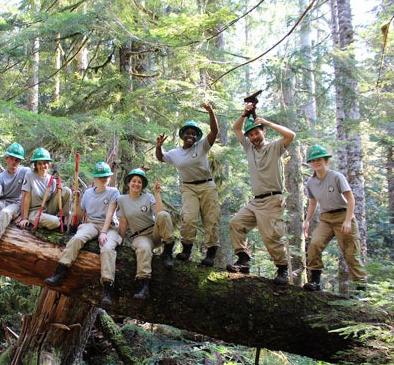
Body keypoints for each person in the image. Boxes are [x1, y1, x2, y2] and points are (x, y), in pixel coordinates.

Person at [226, 104, 296, 285]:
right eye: (251, 134)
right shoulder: (249, 148)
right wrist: (245, 113)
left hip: (272, 199)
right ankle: (243, 260)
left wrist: (268, 123)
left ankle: (282, 269)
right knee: (236, 223)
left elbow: (291, 136)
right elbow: (236, 128)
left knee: (270, 237)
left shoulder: (275, 147)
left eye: (257, 133)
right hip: (256, 201)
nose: (254, 137)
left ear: (263, 132)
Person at [43, 161, 121, 306]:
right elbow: (79, 215)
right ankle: (60, 272)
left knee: (107, 248)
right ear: (95, 178)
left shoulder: (113, 192)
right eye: (101, 177)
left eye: (106, 176)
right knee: (77, 238)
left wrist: (104, 233)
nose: (104, 179)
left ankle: (107, 289)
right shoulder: (88, 193)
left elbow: (110, 214)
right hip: (91, 223)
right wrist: (77, 201)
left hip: (109, 226)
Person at [156, 103, 220, 266]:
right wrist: (158, 146)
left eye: (193, 133)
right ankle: (186, 250)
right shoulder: (175, 153)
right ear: (183, 135)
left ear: (197, 136)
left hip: (207, 186)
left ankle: (210, 254)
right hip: (188, 187)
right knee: (189, 218)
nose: (190, 135)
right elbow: (160, 157)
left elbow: (214, 132)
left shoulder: (202, 146)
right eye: (187, 133)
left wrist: (211, 112)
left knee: (211, 219)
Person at [302, 144, 368, 292]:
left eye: (319, 159)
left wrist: (347, 220)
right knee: (314, 245)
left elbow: (351, 199)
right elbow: (313, 203)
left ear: (326, 160)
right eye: (313, 160)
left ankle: (360, 289)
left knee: (351, 253)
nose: (316, 163)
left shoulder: (336, 177)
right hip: (326, 218)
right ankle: (315, 281)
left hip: (343, 215)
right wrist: (306, 221)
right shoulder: (310, 182)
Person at [117, 169, 175, 300]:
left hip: (155, 232)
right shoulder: (121, 200)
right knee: (143, 248)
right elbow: (123, 222)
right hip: (140, 236)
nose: (136, 184)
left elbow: (159, 214)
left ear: (142, 185)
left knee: (164, 215)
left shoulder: (148, 197)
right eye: (134, 181)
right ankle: (143, 285)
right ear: (128, 183)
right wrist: (119, 240)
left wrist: (157, 194)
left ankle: (168, 252)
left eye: (139, 182)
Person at [16, 147, 72, 231]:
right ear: (35, 164)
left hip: (47, 209)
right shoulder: (29, 175)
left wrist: (57, 190)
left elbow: (51, 198)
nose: (42, 166)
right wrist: (24, 217)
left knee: (67, 190)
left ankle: (63, 220)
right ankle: (56, 222)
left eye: (45, 163)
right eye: (39, 163)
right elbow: (26, 197)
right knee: (55, 222)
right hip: (34, 212)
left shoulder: (52, 179)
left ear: (49, 164)